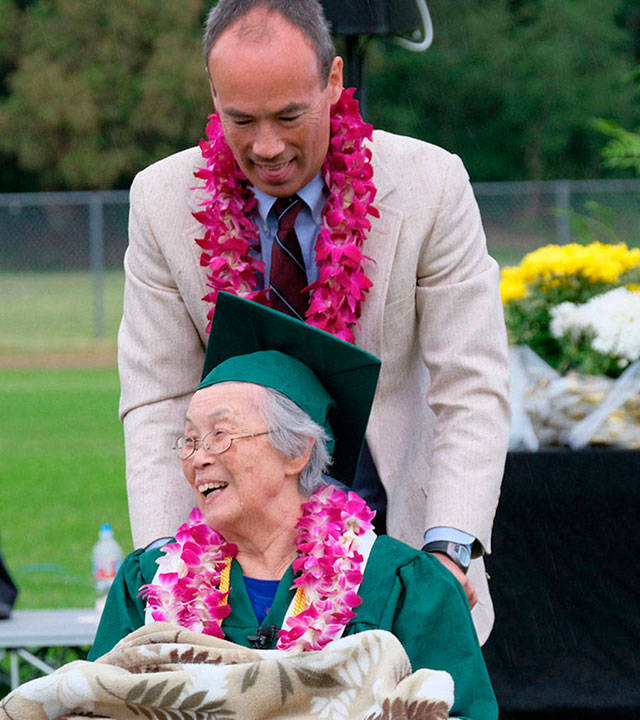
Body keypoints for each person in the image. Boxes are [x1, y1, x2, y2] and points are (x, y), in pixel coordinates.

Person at [82, 292, 502, 720]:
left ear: (296, 450)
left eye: (220, 434)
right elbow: (97, 716)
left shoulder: (399, 583)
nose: (196, 458)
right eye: (189, 440)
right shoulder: (149, 580)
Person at [118, 0, 509, 647]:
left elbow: (472, 384)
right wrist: (166, 559)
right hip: (230, 571)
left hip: (398, 554)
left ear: (332, 83)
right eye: (241, 120)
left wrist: (447, 549)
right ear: (214, 96)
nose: (266, 147)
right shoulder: (161, 201)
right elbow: (158, 397)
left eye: (289, 117)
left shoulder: (430, 184)